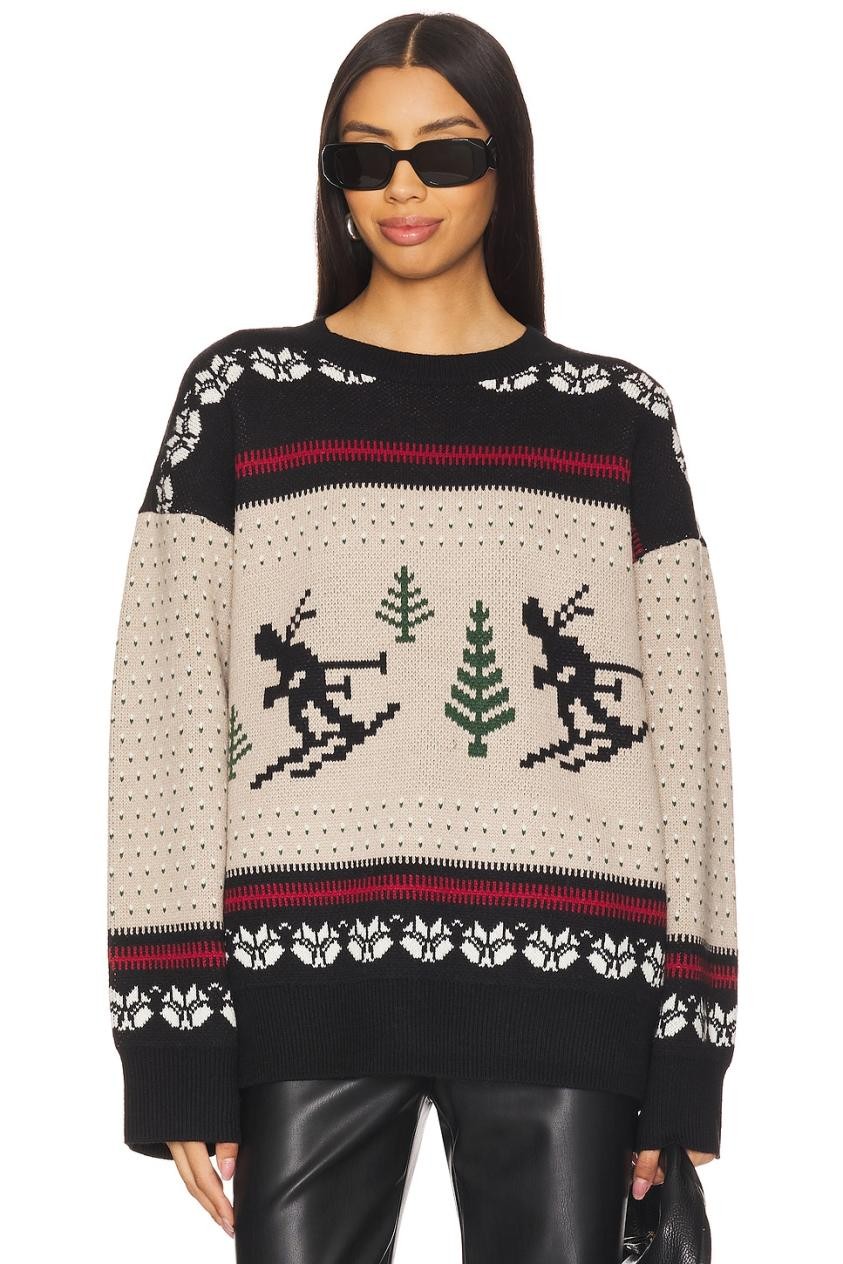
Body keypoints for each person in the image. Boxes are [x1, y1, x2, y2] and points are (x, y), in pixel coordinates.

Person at [106, 13, 738, 1263]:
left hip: (571, 988)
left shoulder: (616, 418)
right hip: (299, 990)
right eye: (366, 157)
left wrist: (690, 1052)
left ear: (506, 166)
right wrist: (172, 1028)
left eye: (443, 154)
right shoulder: (240, 399)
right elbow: (164, 712)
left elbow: (692, 741)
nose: (402, 188)